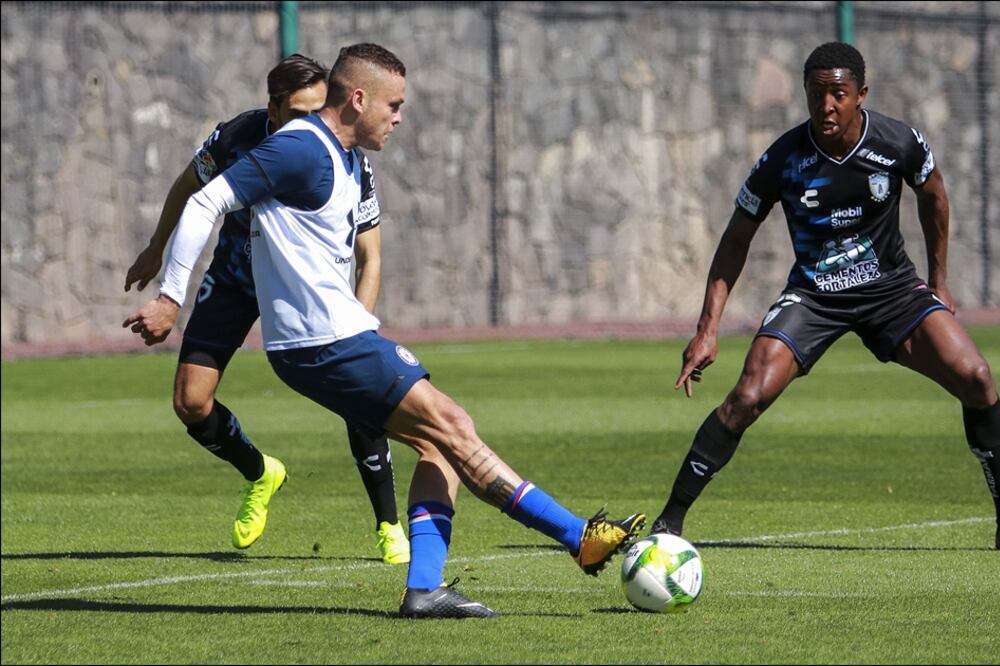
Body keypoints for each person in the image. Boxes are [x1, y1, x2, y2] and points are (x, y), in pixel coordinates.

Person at [125, 42, 646, 617]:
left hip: (336, 337)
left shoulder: (348, 158)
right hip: (323, 342)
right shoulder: (299, 148)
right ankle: (580, 538)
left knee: (439, 445)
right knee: (451, 426)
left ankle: (425, 587)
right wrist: (172, 295)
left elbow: (362, 253)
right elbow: (205, 202)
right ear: (357, 98)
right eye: (393, 105)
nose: (399, 118)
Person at [650, 42, 1000, 554]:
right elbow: (736, 238)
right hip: (814, 295)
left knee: (976, 377)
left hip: (891, 291)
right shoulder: (783, 158)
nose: (826, 106)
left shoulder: (896, 141)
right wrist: (707, 329)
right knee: (747, 396)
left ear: (860, 95)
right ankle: (669, 522)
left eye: (838, 94)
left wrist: (940, 281)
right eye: (817, 94)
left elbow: (934, 196)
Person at [122, 53, 411, 564]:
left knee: (359, 394)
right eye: (300, 114)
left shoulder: (347, 155)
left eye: (321, 109)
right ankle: (261, 473)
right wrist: (156, 249)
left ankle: (389, 523)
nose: (313, 124)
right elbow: (192, 189)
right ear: (272, 110)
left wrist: (360, 330)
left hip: (303, 291)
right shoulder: (239, 137)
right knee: (191, 402)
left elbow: (371, 255)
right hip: (236, 279)